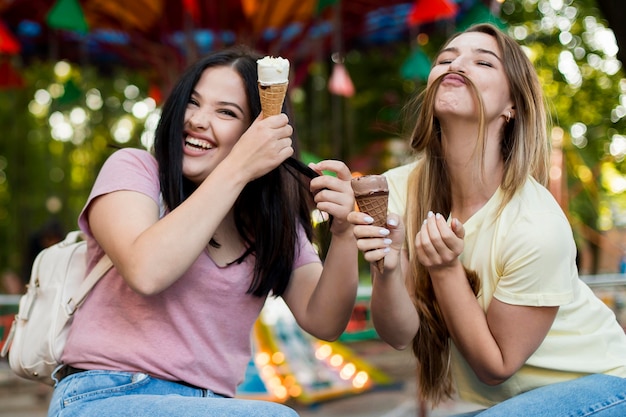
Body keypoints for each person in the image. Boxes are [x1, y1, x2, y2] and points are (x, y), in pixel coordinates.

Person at [47, 46, 359, 417]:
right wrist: (239, 166)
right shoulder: (135, 170)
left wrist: (343, 233)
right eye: (192, 103)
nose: (197, 119)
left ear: (257, 129)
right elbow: (147, 271)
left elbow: (324, 320)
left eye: (226, 112)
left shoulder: (270, 220)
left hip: (213, 405)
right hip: (105, 394)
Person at [348, 23, 626, 416]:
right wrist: (388, 268)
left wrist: (445, 270)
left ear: (511, 107)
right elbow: (398, 334)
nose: (456, 64)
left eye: (483, 61)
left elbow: (495, 366)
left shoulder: (535, 224)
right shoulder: (399, 191)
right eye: (446, 58)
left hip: (601, 388)